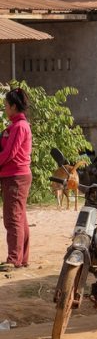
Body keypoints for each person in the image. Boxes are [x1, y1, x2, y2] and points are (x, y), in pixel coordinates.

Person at [0, 88, 32, 272]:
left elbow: (9, 153)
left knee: (13, 219)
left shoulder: (20, 126)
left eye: (6, 105)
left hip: (16, 177)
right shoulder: (15, 125)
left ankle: (14, 259)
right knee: (20, 217)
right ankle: (22, 258)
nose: (5, 108)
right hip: (15, 176)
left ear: (13, 106)